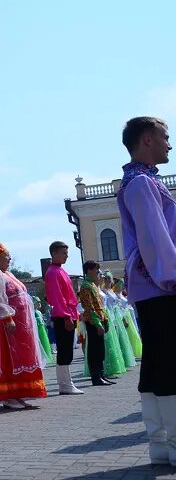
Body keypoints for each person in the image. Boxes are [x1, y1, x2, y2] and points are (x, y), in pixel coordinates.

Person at [117, 117, 176, 464]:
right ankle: (168, 446)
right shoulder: (140, 184)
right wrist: (172, 278)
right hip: (159, 284)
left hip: (151, 284)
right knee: (167, 363)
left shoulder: (141, 181)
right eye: (166, 137)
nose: (170, 144)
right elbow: (156, 239)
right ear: (148, 140)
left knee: (156, 363)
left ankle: (160, 446)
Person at [0, 244, 47, 409]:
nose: (9, 259)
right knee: (9, 358)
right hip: (7, 324)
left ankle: (17, 394)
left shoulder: (7, 274)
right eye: (6, 256)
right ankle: (8, 395)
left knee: (20, 358)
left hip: (20, 324)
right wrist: (7, 318)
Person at [43, 241, 84, 395]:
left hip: (68, 315)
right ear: (54, 254)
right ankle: (65, 384)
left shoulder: (60, 271)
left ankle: (66, 383)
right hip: (63, 316)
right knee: (64, 350)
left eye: (67, 253)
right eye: (64, 253)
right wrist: (66, 317)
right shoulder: (53, 273)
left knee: (67, 350)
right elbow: (57, 297)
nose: (67, 256)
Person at [78, 261, 113, 387]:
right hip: (93, 322)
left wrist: (105, 320)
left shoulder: (92, 285)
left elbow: (100, 306)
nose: (98, 273)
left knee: (100, 350)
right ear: (89, 270)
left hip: (99, 320)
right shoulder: (86, 286)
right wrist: (98, 324)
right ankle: (96, 377)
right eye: (96, 271)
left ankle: (101, 375)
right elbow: (89, 307)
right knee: (94, 350)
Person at [31, 296, 55, 364]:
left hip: (42, 330)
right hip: (37, 330)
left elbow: (42, 320)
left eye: (39, 303)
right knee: (39, 343)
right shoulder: (32, 312)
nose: (39, 305)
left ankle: (44, 358)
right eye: (37, 303)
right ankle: (40, 359)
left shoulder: (39, 312)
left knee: (44, 342)